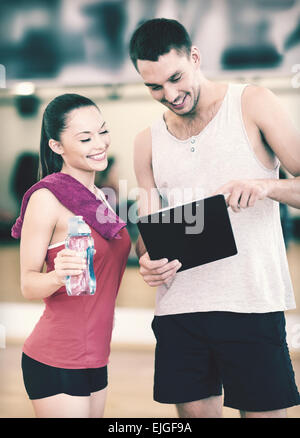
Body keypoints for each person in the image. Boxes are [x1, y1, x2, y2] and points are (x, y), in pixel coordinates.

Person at [129, 18, 300, 418]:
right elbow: (148, 237)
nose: (170, 94)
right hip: (180, 313)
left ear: (195, 57)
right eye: (154, 86)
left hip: (251, 306)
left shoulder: (252, 102)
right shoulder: (145, 142)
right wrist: (147, 260)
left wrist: (266, 187)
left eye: (176, 77)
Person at [11, 93, 131, 418]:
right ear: (56, 146)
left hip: (96, 357)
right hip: (56, 358)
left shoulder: (101, 198)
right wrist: (56, 275)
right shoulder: (47, 198)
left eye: (102, 132)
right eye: (85, 137)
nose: (99, 143)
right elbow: (27, 284)